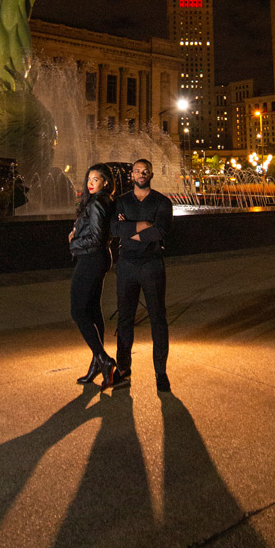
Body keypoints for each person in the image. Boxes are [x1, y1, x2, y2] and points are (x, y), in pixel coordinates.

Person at [113, 158, 174, 391]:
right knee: (125, 319)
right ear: (132, 175)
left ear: (151, 174)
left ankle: (161, 373)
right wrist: (143, 225)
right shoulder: (121, 201)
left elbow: (160, 231)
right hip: (127, 266)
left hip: (152, 265)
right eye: (137, 171)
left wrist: (130, 230)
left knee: (158, 319)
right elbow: (115, 228)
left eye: (145, 171)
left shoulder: (162, 202)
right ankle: (123, 369)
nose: (141, 174)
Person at [68, 163, 118, 389]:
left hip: (91, 259)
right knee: (92, 309)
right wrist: (79, 231)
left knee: (78, 311)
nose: (90, 183)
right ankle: (97, 363)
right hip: (97, 258)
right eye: (89, 179)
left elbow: (97, 237)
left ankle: (103, 359)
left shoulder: (98, 202)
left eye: (95, 179)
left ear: (105, 182)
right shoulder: (102, 200)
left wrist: (74, 241)